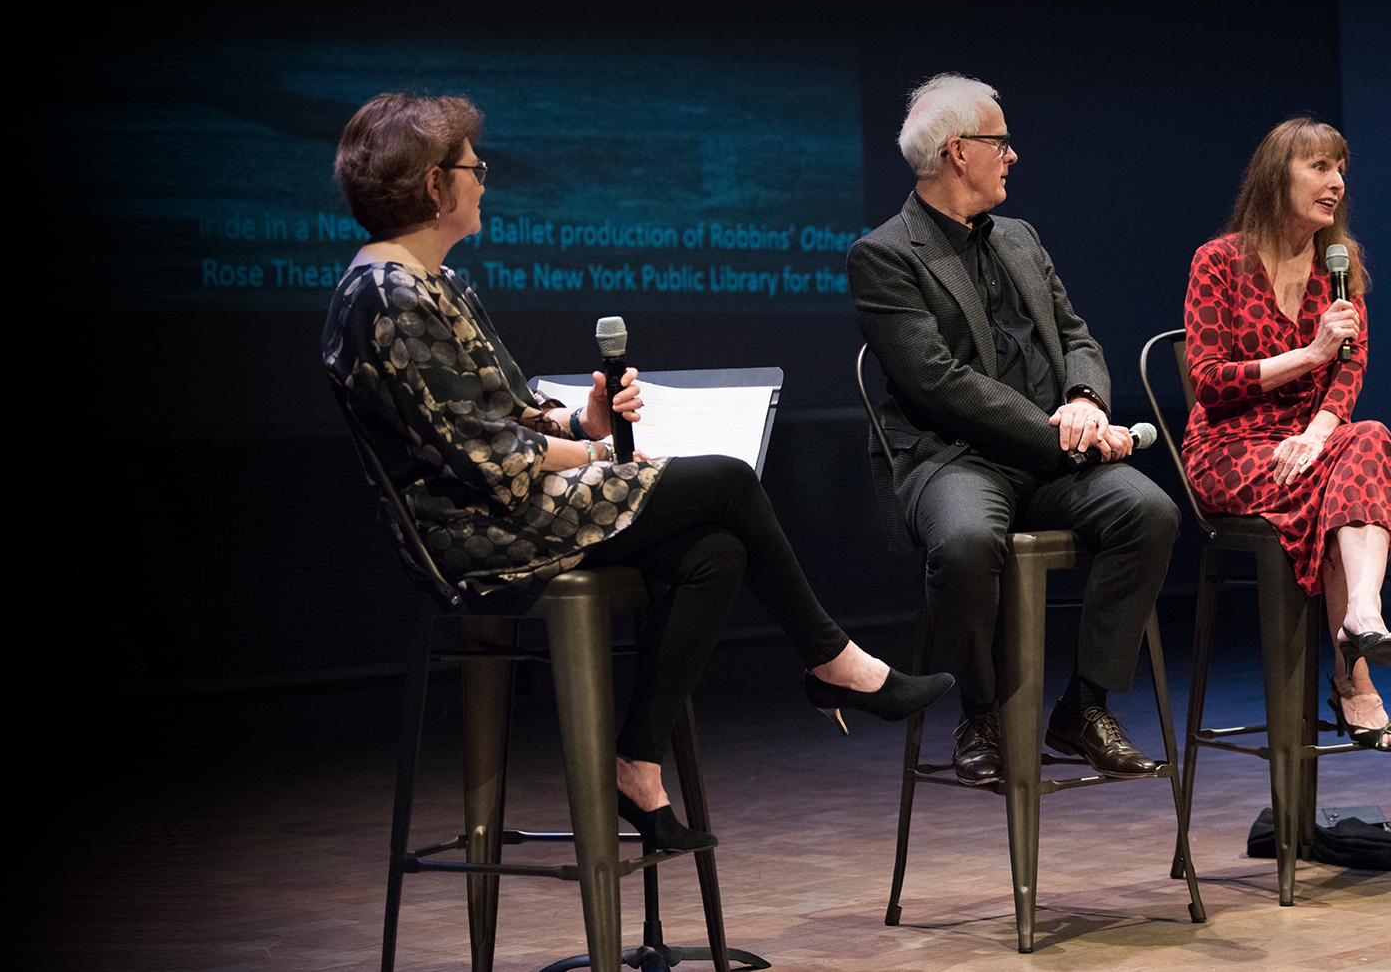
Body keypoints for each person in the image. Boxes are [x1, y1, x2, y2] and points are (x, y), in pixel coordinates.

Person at [322, 92, 952, 852]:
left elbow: (512, 417)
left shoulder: (437, 284)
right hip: (478, 533)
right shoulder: (386, 296)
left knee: (716, 552)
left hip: (515, 504)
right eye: (473, 168)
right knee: (724, 480)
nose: (483, 180)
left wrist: (584, 422)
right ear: (434, 187)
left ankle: (637, 762)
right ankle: (837, 662)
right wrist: (595, 454)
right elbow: (484, 458)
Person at [849, 74, 1180, 785]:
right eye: (1000, 142)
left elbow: (1076, 334)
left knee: (1147, 511)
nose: (1014, 156)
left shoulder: (1022, 239)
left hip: (1050, 454)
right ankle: (982, 711)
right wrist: (1061, 433)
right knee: (968, 541)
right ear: (958, 151)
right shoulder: (883, 255)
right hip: (953, 459)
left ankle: (1083, 707)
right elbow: (936, 383)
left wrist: (1087, 397)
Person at [1181, 117, 1391, 751]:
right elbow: (1207, 379)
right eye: (1319, 167)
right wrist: (1308, 356)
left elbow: (1352, 367)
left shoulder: (1341, 265)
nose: (1336, 182)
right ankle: (1354, 675)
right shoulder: (1219, 261)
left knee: (1367, 437)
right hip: (1231, 449)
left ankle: (1362, 617)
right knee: (1354, 483)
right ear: (1274, 176)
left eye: (1341, 169)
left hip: (1313, 444)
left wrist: (1315, 431)